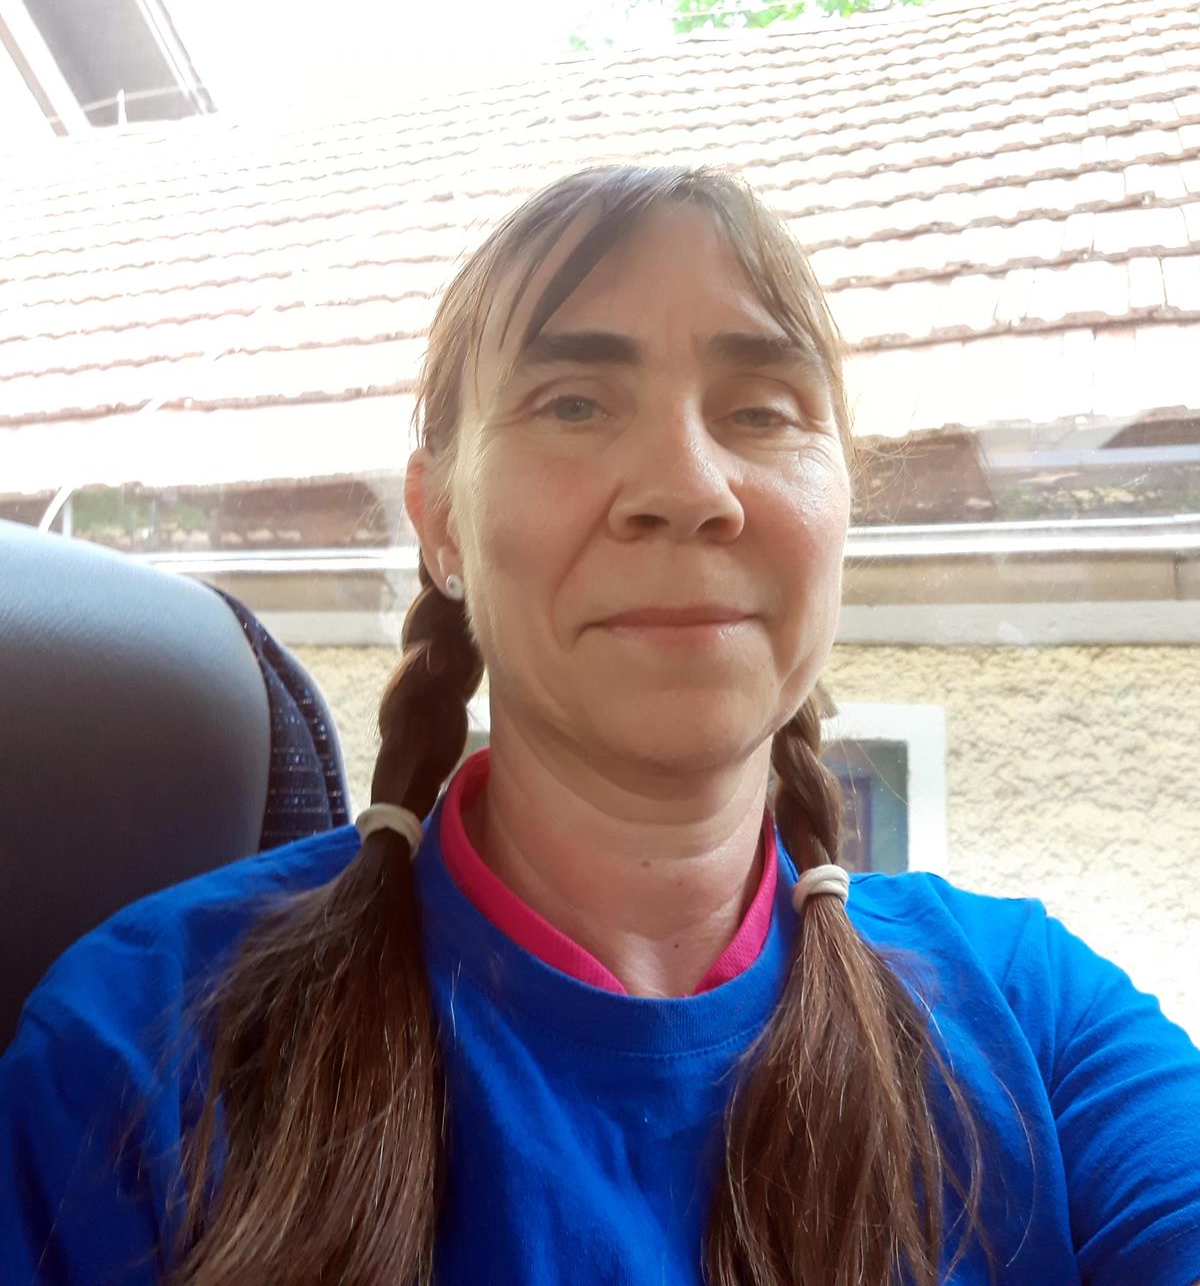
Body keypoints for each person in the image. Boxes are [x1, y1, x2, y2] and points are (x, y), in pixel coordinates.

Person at [2, 164, 1199, 1286]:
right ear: (442, 520)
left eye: (763, 411)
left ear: (843, 507)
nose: (687, 487)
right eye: (574, 403)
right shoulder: (143, 1047)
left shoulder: (1040, 1022)